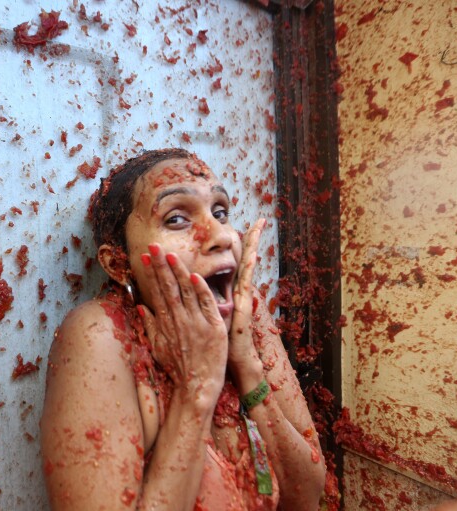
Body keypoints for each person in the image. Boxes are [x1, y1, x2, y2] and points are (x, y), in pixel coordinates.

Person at [40, 149, 326, 510]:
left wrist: (246, 363)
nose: (221, 235)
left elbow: (308, 497)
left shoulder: (245, 314)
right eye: (177, 219)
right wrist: (197, 388)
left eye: (220, 212)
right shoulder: (103, 337)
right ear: (119, 264)